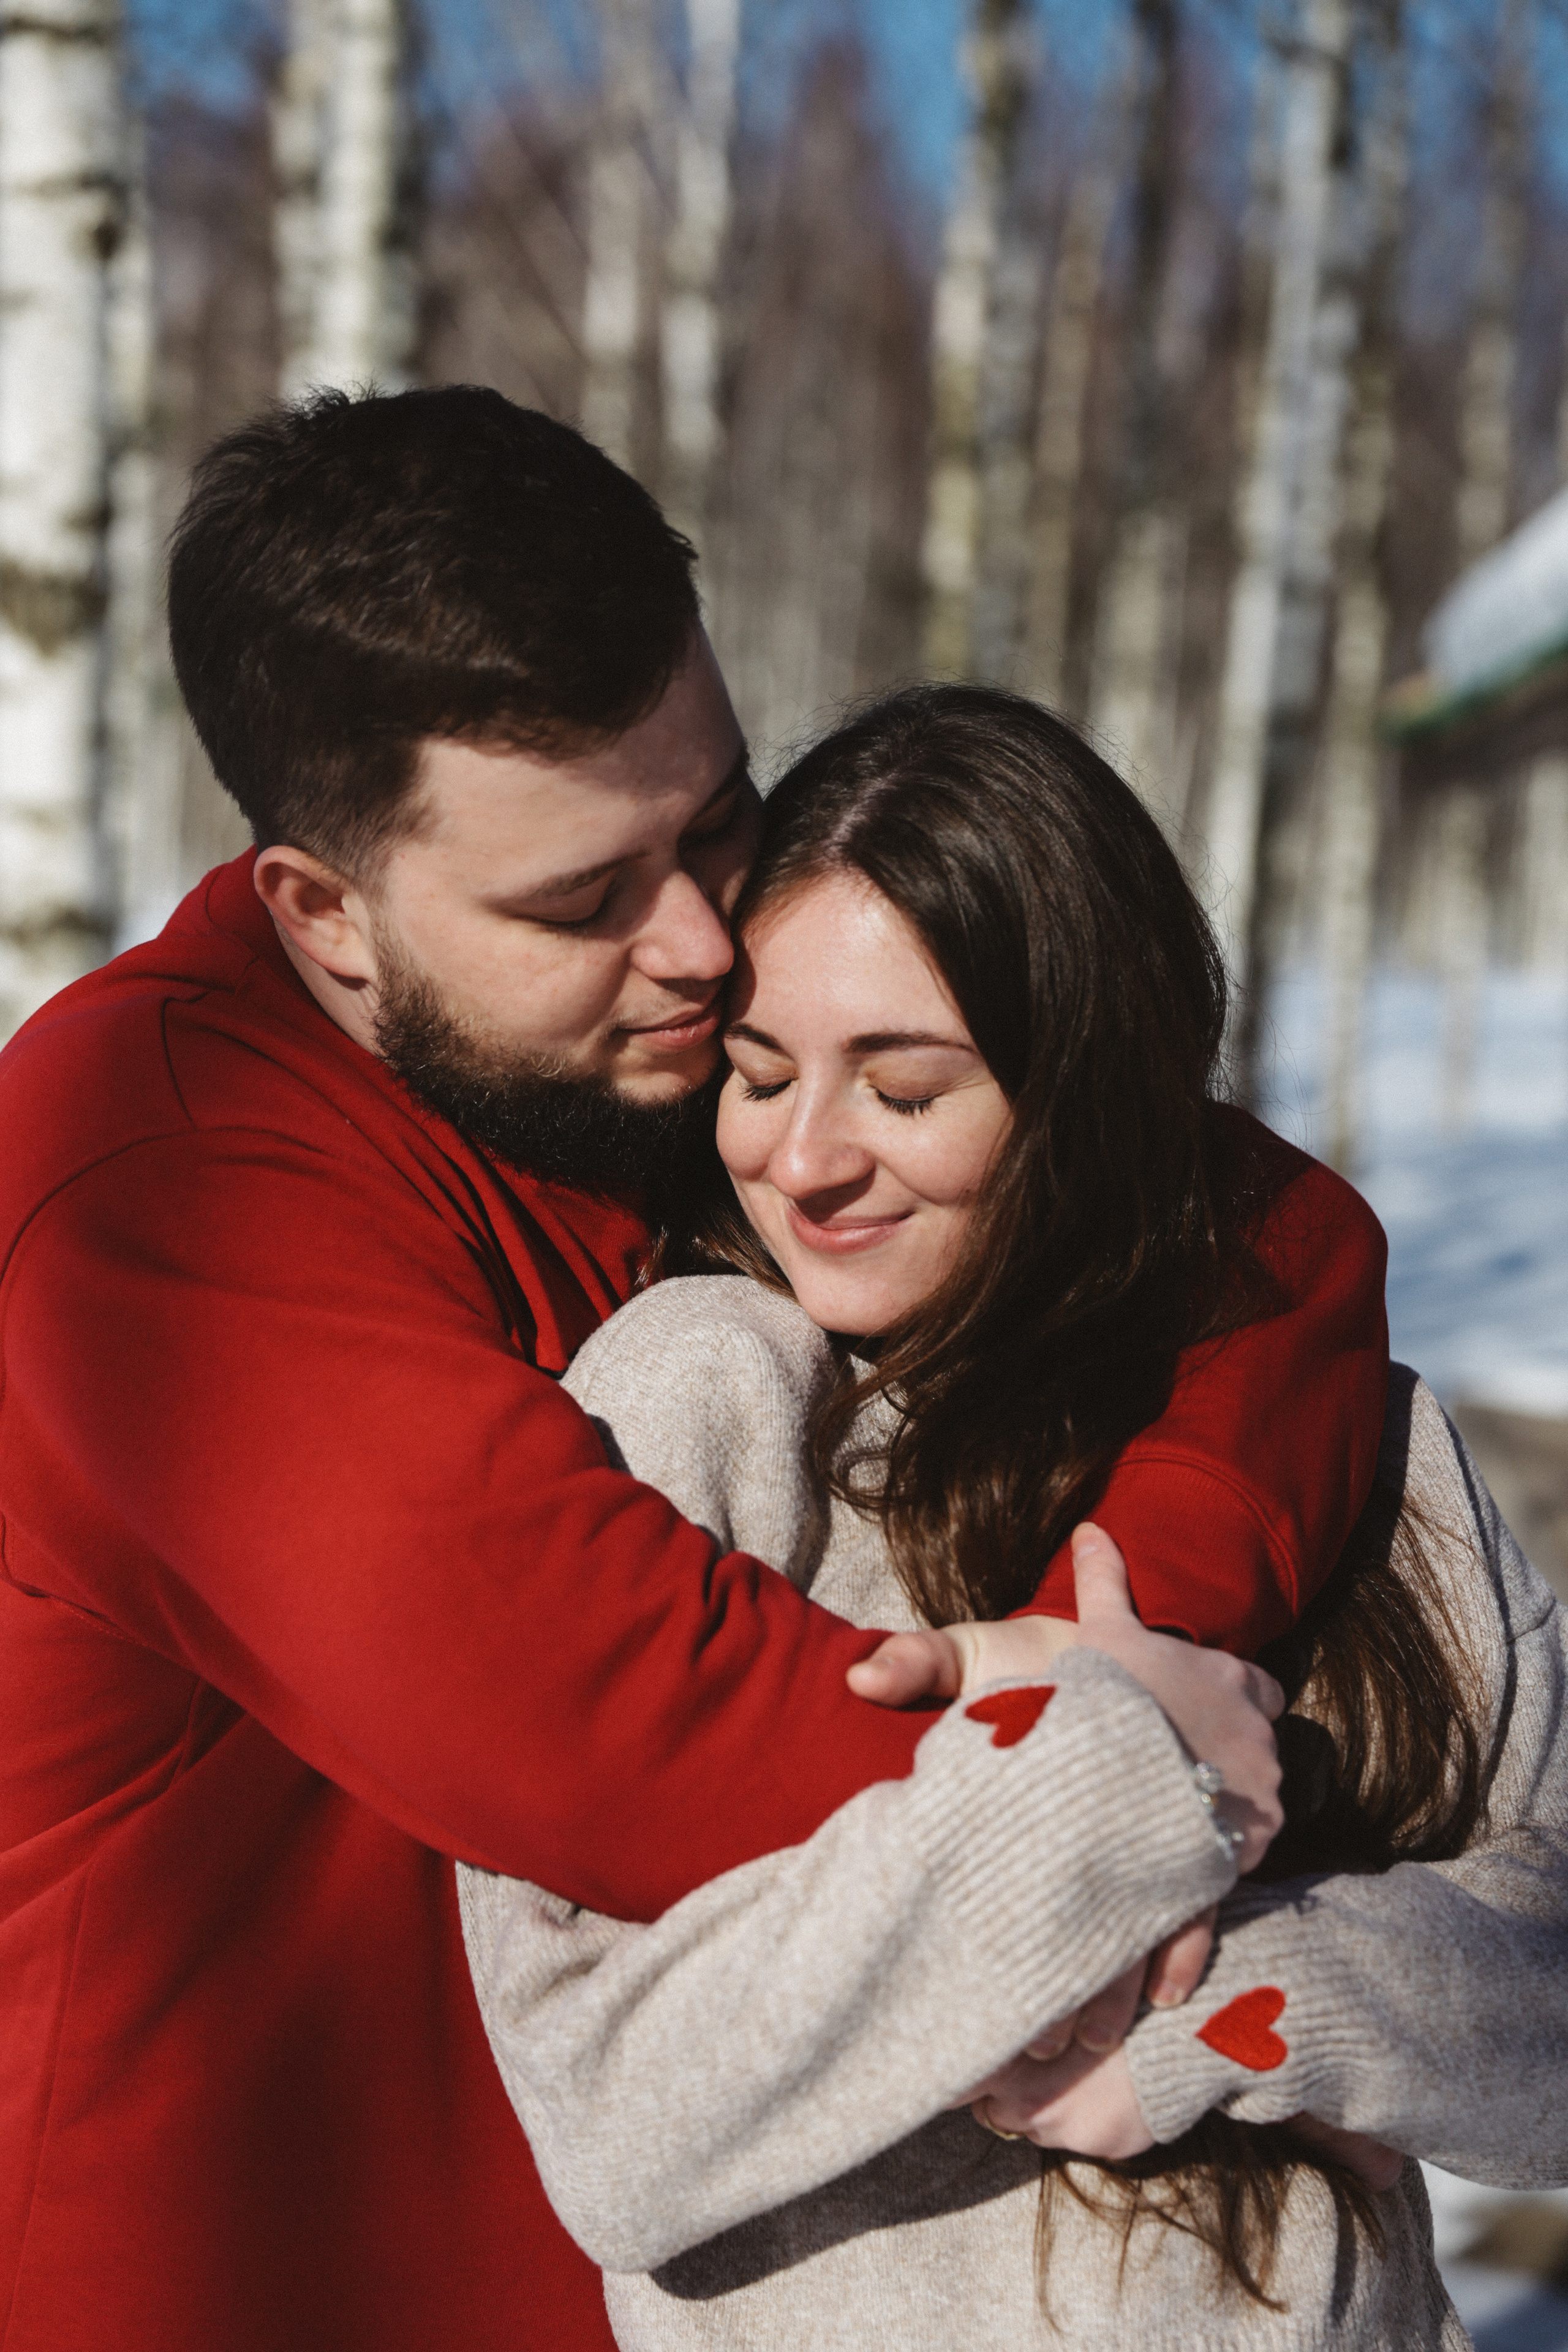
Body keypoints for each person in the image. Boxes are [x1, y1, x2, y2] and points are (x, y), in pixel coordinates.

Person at [1, 390, 1384, 2352]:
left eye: (716, 821)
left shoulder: (648, 1064)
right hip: (252, 2274)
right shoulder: (151, 1191)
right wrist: (1124, 1773)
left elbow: (1236, 1217)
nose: (698, 942)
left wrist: (1147, 1610)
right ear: (327, 914)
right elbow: (646, 1724)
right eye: (578, 898)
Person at [461, 687, 1568, 2349]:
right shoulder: (697, 1408)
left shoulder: (1369, 1447)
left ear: (1082, 1092)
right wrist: (1074, 1839)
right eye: (758, 1077)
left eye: (902, 1090)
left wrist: (1242, 2011)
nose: (806, 1159)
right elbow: (611, 2114)